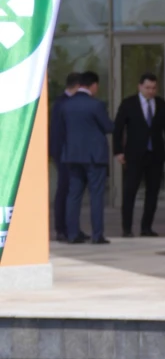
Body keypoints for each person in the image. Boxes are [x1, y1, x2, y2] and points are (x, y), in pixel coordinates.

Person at [113, 71, 165, 237]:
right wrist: (118, 151)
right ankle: (127, 228)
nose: (150, 91)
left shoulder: (162, 105)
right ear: (140, 87)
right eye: (147, 87)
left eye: (154, 88)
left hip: (155, 155)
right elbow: (118, 129)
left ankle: (146, 227)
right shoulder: (128, 104)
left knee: (152, 192)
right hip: (134, 155)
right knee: (130, 191)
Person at [57, 70, 113, 245]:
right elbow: (108, 127)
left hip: (72, 156)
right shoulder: (96, 105)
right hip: (94, 156)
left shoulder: (65, 105)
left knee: (73, 195)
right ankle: (97, 235)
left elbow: (62, 130)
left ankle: (72, 234)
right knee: (96, 195)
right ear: (93, 85)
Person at [49, 72, 81, 241]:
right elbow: (57, 131)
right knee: (64, 189)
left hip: (71, 152)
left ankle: (73, 227)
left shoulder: (64, 102)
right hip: (63, 153)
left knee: (73, 190)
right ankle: (61, 228)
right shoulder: (62, 104)